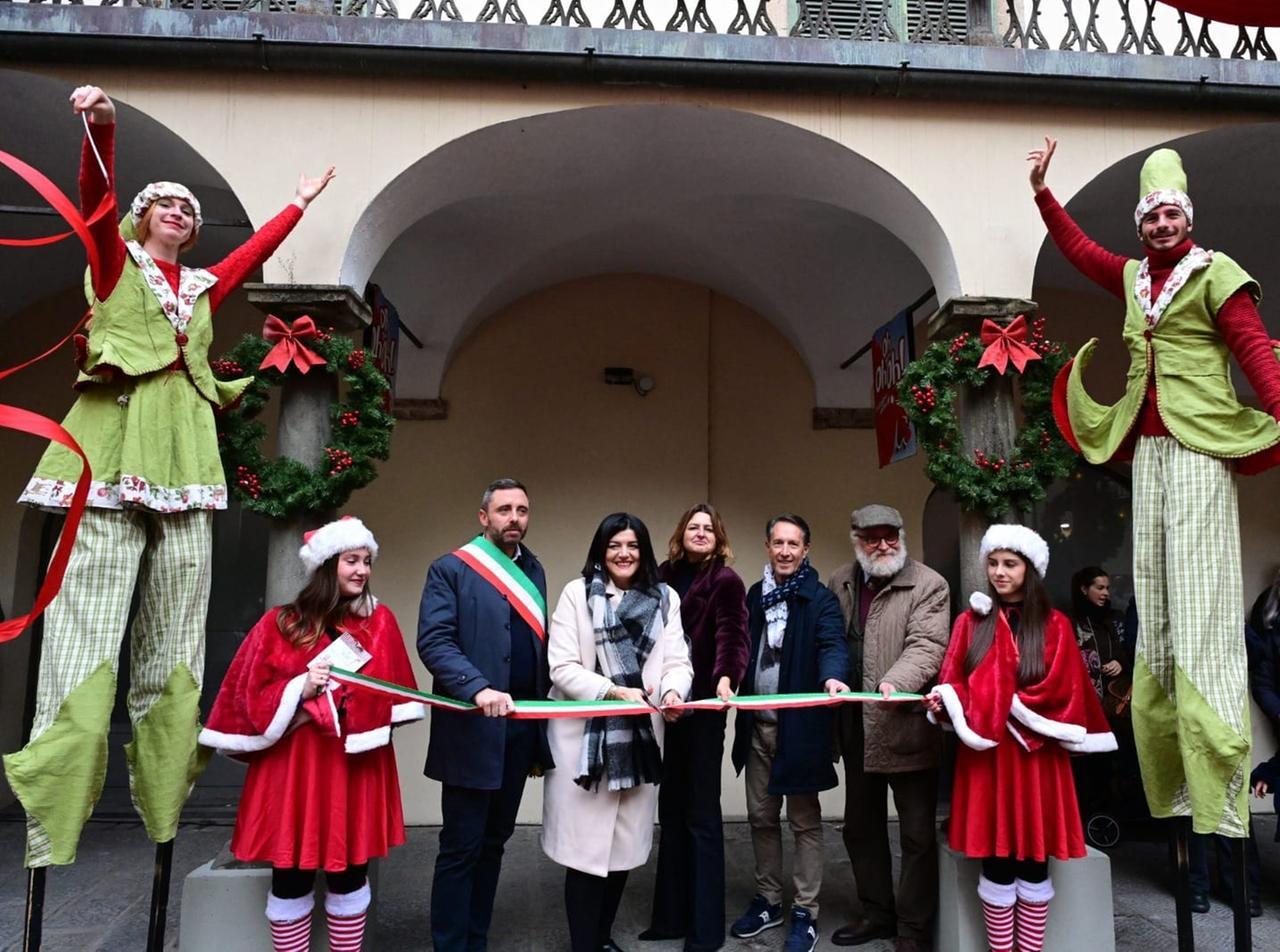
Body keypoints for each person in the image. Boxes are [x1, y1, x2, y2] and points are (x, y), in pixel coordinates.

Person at [3, 84, 334, 870]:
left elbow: (245, 260)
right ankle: (55, 813)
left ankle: (162, 805)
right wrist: (103, 129)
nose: (182, 212)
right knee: (84, 633)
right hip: (117, 447)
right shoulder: (116, 265)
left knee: (178, 645)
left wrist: (294, 209)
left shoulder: (198, 288)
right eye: (167, 205)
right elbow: (94, 201)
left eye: (190, 208)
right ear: (143, 218)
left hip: (185, 454)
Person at [1028, 136, 1280, 839]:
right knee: (1160, 610)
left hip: (1200, 444)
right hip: (1150, 453)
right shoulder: (1137, 278)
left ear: (1187, 219)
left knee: (1200, 608)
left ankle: (1219, 781)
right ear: (1140, 225)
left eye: (1171, 215)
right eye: (1151, 218)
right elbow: (1081, 254)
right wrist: (1045, 195)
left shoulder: (1214, 272)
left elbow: (1253, 348)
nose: (1161, 226)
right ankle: (1172, 783)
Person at [199, 517, 424, 951]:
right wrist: (299, 689)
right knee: (290, 871)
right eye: (351, 561)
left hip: (353, 766)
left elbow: (395, 694)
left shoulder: (381, 623)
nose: (361, 570)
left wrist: (350, 701)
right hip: (295, 767)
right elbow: (249, 697)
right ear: (325, 566)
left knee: (350, 870)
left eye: (366, 561)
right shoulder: (279, 624)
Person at [924, 524, 1115, 952]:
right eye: (992, 563)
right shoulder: (970, 622)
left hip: (1036, 758)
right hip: (988, 757)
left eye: (1009, 564)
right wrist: (947, 703)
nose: (999, 572)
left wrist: (1002, 702)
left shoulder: (1055, 625)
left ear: (1030, 569)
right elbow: (953, 678)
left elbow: (1063, 690)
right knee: (996, 858)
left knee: (1033, 860)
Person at [541, 512, 694, 952]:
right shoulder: (576, 594)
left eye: (632, 546)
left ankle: (603, 936)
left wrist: (672, 693)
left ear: (643, 552)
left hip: (640, 741)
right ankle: (584, 944)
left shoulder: (666, 597)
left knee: (622, 851)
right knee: (585, 857)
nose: (623, 554)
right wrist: (611, 691)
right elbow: (563, 666)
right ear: (601, 551)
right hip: (584, 745)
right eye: (614, 546)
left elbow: (677, 661)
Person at [418, 478, 553, 951]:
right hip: (471, 730)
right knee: (461, 849)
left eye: (521, 510)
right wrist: (477, 687)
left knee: (495, 843)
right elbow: (435, 642)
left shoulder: (534, 570)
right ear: (484, 517)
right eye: (503, 510)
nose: (513, 518)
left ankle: (477, 939)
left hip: (517, 732)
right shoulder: (450, 569)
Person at [827, 505, 950, 952]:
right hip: (856, 726)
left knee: (917, 834)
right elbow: (832, 642)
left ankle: (913, 929)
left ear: (901, 536)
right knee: (861, 828)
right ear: (856, 539)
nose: (882, 545)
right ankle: (876, 914)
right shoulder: (840, 580)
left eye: (890, 536)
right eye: (872, 537)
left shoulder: (929, 583)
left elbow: (928, 644)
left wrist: (896, 682)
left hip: (907, 727)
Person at [729, 514, 849, 952]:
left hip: (799, 732)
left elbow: (832, 644)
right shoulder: (756, 595)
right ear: (767, 547)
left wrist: (833, 677)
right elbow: (738, 648)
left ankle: (805, 911)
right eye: (777, 542)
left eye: (792, 544)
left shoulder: (818, 599)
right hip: (757, 729)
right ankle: (768, 901)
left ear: (806, 549)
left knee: (804, 823)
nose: (784, 551)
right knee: (761, 818)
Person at [641, 503, 750, 952]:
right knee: (671, 809)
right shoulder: (662, 574)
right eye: (693, 527)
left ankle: (704, 931)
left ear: (718, 537)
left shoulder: (725, 580)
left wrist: (726, 678)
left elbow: (733, 634)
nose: (700, 533)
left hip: (703, 707)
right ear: (681, 533)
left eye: (708, 528)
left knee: (702, 814)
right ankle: (669, 917)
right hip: (664, 708)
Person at [1069, 567, 1133, 819]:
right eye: (1100, 587)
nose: (1106, 593)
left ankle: (1112, 816)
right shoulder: (1073, 622)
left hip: (1114, 702)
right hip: (1084, 705)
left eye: (1107, 588)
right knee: (1087, 764)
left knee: (1115, 761)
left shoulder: (1115, 619)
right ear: (1084, 589)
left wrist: (1120, 663)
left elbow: (1129, 651)